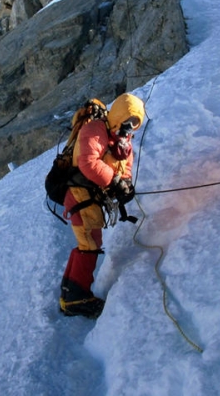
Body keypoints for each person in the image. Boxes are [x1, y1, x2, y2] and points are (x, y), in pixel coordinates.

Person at [60, 93, 146, 318]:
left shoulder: (121, 141)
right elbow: (88, 163)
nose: (129, 127)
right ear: (117, 115)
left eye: (135, 123)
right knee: (89, 244)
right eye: (127, 120)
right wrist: (115, 182)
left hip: (90, 199)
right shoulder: (95, 130)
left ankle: (68, 293)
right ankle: (76, 299)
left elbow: (124, 167)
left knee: (88, 242)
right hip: (80, 196)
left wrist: (124, 185)